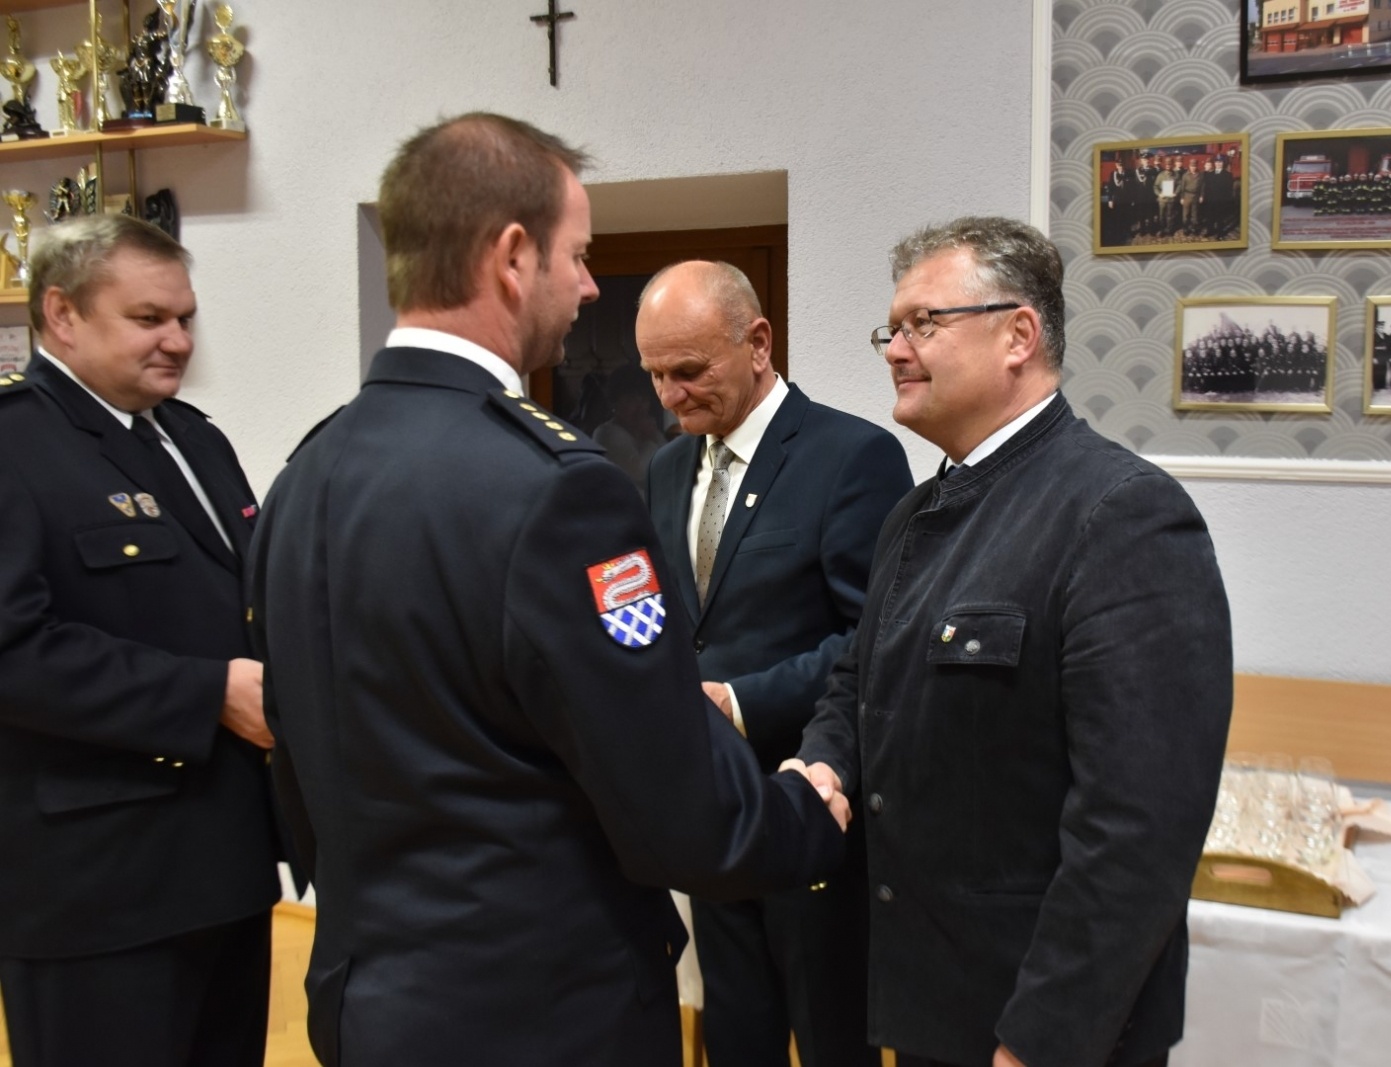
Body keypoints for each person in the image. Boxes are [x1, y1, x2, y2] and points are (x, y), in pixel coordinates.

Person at [246, 113, 847, 1067]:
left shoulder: (304, 473)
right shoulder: (557, 488)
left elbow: (299, 745)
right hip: (541, 1010)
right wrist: (804, 816)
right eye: (578, 256)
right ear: (513, 256)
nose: (586, 286)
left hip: (367, 999)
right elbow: (671, 791)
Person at [790, 217, 1233, 1067]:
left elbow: (1137, 829)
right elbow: (858, 680)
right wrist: (823, 759)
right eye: (894, 327)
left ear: (1018, 334)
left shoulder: (1120, 514)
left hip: (1038, 1020)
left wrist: (1044, 1038)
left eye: (925, 322)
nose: (895, 348)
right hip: (928, 995)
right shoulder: (913, 517)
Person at [0, 214, 282, 1067]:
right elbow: (14, 652)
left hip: (224, 860)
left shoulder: (193, 438)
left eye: (186, 318)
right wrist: (207, 694)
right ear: (62, 315)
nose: (176, 340)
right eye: (149, 318)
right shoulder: (15, 443)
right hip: (95, 886)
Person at [636, 260, 913, 1067]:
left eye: (689, 371)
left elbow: (874, 638)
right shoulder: (664, 468)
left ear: (758, 342)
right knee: (736, 1028)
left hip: (812, 806)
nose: (669, 396)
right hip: (713, 809)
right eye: (654, 375)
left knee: (831, 1037)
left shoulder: (851, 456)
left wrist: (741, 699)